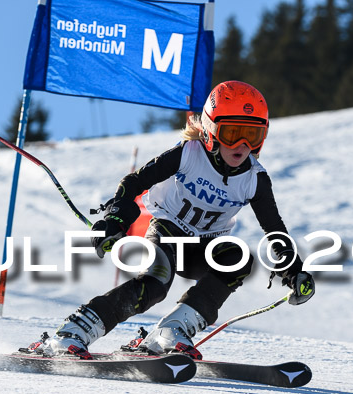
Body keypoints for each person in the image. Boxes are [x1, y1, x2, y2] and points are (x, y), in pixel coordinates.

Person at [28, 81, 315, 360]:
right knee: (155, 284)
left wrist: (294, 271)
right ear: (211, 130)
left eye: (251, 136)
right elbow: (134, 183)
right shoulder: (189, 154)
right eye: (232, 133)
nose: (241, 146)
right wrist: (114, 220)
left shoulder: (255, 179)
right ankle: (72, 331)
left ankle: (171, 330)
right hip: (167, 232)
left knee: (237, 258)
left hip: (203, 247)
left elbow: (274, 230)